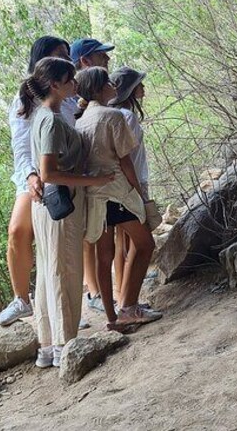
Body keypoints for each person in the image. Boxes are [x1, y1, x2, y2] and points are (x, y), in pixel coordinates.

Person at [18, 57, 114, 368]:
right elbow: (48, 173)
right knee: (65, 272)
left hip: (49, 206)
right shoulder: (51, 121)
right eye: (70, 79)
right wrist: (92, 181)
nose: (75, 84)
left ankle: (49, 346)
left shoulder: (46, 116)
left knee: (50, 272)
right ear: (55, 84)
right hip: (62, 204)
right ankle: (64, 344)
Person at [74, 67, 162, 328]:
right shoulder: (113, 116)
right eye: (110, 83)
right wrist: (139, 194)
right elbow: (125, 160)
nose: (114, 87)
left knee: (105, 255)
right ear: (101, 88)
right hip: (117, 192)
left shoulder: (80, 121)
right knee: (144, 243)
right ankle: (129, 307)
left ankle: (113, 317)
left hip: (94, 196)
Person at [0, 36, 76, 326]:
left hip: (63, 171)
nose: (66, 61)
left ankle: (67, 303)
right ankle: (21, 299)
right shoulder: (23, 100)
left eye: (67, 56)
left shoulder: (69, 98)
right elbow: (20, 145)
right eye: (59, 55)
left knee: (60, 242)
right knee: (18, 231)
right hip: (32, 174)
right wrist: (31, 175)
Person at [70, 38, 114, 314]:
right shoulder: (77, 101)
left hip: (89, 176)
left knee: (100, 232)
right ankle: (94, 291)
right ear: (85, 61)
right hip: (83, 177)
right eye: (101, 56)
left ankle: (103, 290)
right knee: (92, 234)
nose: (106, 60)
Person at [108, 67, 151, 301]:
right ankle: (127, 299)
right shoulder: (127, 117)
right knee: (139, 240)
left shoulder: (112, 115)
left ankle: (120, 291)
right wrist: (139, 189)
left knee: (120, 241)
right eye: (139, 84)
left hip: (117, 185)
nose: (143, 87)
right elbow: (129, 156)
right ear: (130, 90)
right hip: (131, 182)